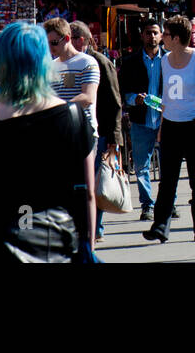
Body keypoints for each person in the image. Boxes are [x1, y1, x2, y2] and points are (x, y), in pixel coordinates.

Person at [0, 22, 96, 264]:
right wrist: (88, 246)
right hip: (59, 243)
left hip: (2, 243)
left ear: (2, 65)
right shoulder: (73, 116)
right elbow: (87, 194)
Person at [143, 15, 195, 244]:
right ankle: (160, 227)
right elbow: (166, 97)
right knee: (167, 180)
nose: (161, 38)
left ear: (175, 37)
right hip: (172, 125)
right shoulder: (165, 60)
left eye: (164, 34)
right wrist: (162, 125)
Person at [71, 21, 122, 241]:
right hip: (75, 131)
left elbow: (114, 101)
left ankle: (96, 228)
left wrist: (114, 138)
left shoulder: (99, 62)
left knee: (97, 183)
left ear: (80, 40)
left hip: (99, 132)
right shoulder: (67, 63)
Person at [119, 20, 164, 220]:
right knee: (141, 165)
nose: (152, 37)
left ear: (161, 36)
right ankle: (147, 204)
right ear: (142, 35)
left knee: (167, 165)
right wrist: (133, 99)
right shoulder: (130, 62)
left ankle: (166, 203)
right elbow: (122, 90)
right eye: (148, 33)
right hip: (141, 120)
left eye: (155, 33)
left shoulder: (171, 61)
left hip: (166, 120)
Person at [44, 17, 99, 135]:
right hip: (59, 130)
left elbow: (88, 97)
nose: (50, 47)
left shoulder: (87, 62)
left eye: (54, 42)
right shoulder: (50, 66)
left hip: (82, 131)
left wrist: (59, 110)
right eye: (47, 43)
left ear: (67, 38)